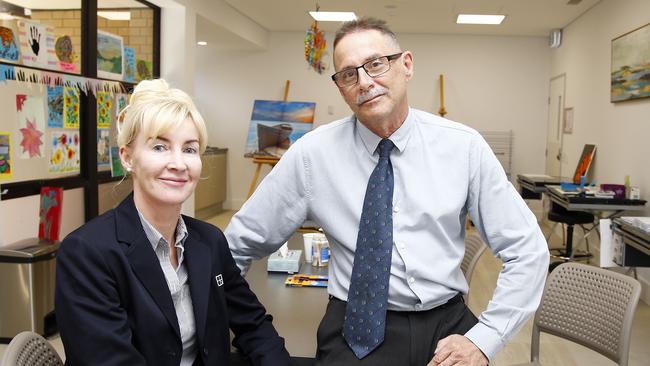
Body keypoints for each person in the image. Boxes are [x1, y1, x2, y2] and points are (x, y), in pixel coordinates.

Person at [225, 17, 549, 366]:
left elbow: (527, 249)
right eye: (349, 74)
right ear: (341, 88)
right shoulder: (311, 156)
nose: (364, 82)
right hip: (355, 329)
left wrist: (485, 340)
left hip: (447, 324)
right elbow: (235, 246)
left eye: (376, 64)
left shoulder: (463, 147)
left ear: (406, 65)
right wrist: (237, 329)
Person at [55, 79, 291, 366]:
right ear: (127, 157)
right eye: (160, 147)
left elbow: (253, 324)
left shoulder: (210, 241)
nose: (179, 164)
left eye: (190, 149)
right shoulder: (87, 253)